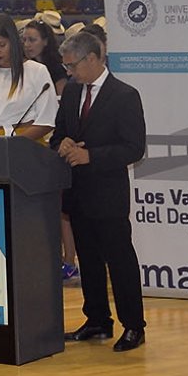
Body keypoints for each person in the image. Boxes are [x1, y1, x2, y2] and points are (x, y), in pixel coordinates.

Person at [52, 31, 148, 352]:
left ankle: (134, 325)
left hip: (108, 194)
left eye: (72, 65)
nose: (69, 72)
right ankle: (97, 319)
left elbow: (134, 148)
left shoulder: (124, 95)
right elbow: (59, 134)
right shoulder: (70, 93)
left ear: (92, 59)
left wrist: (91, 156)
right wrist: (61, 143)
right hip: (77, 193)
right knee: (88, 260)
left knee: (119, 261)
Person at [0, 14, 57, 139]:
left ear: (13, 42)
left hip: (26, 143)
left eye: (2, 45)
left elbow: (47, 120)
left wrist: (14, 144)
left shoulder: (37, 71)